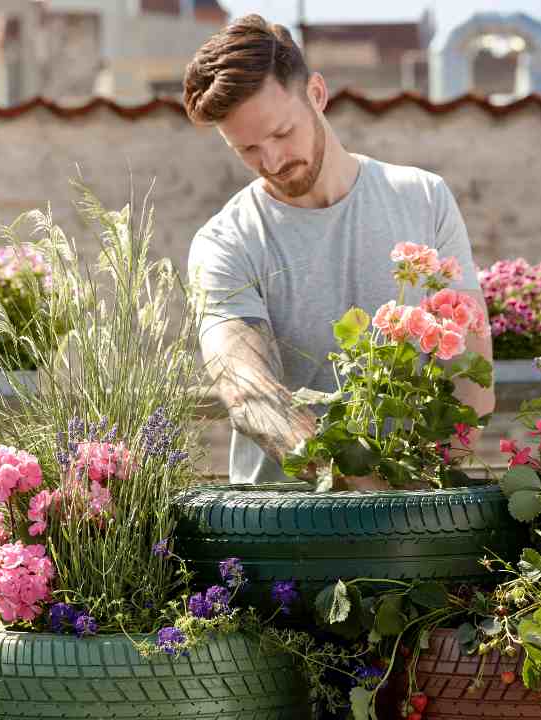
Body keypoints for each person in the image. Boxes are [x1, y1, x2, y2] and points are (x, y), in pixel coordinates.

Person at [183, 14, 494, 488]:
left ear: (317, 94)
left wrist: (422, 490)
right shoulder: (225, 241)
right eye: (246, 149)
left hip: (416, 521)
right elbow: (245, 386)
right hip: (284, 531)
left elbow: (472, 377)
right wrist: (358, 487)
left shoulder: (424, 198)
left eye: (282, 133)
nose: (272, 161)